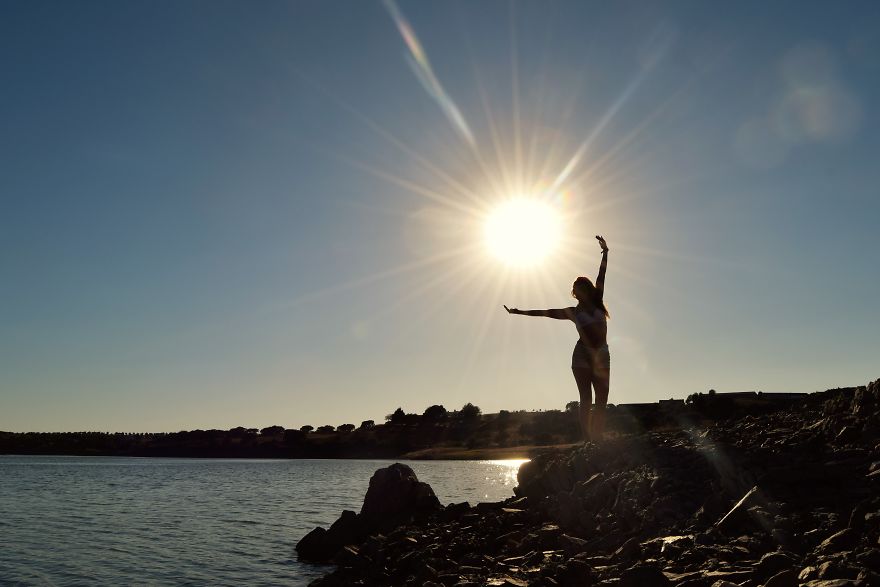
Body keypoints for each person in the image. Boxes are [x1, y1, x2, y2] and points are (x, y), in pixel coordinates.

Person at [504, 235, 610, 442]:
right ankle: (588, 440)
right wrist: (518, 312)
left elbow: (602, 274)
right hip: (581, 355)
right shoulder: (573, 312)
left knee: (602, 399)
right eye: (576, 291)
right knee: (586, 398)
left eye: (582, 288)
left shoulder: (598, 302)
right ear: (575, 294)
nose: (579, 293)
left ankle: (597, 437)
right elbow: (545, 312)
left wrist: (605, 252)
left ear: (588, 290)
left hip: (602, 354)